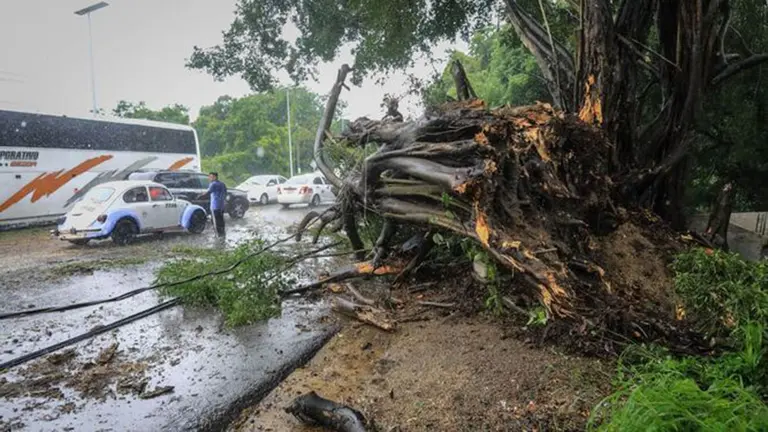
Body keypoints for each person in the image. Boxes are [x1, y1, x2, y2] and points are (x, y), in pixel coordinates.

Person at [199, 172, 227, 237]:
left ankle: (218, 236)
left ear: (215, 177)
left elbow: (208, 192)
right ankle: (223, 234)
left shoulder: (213, 184)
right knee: (221, 221)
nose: (209, 178)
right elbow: (225, 193)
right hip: (222, 206)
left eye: (210, 177)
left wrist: (199, 196)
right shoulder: (222, 184)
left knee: (215, 222)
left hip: (215, 206)